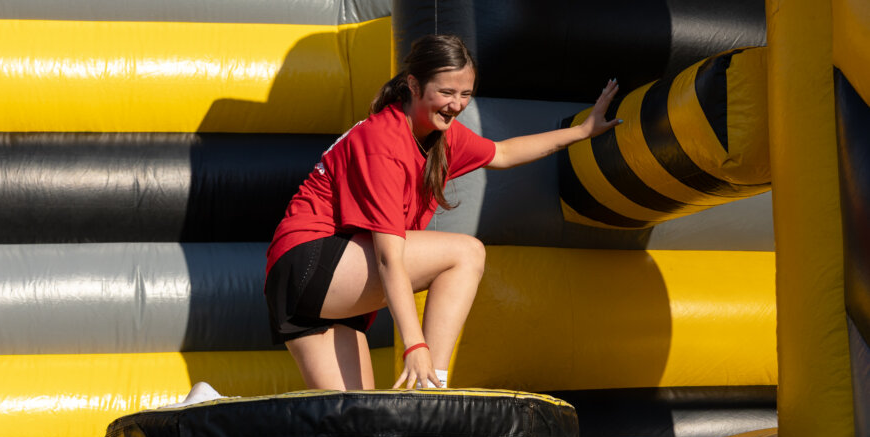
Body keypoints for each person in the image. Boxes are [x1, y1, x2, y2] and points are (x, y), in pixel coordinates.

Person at [264, 34, 620, 391]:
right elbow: (390, 258)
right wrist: (416, 345)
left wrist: (582, 131)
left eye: (465, 94)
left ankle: (209, 400)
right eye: (447, 93)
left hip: (311, 286)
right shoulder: (383, 143)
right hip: (310, 264)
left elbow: (503, 153)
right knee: (465, 253)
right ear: (414, 85)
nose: (457, 105)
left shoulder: (440, 136)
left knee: (353, 421)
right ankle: (433, 386)